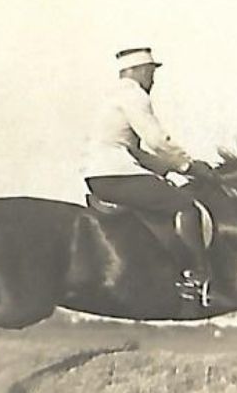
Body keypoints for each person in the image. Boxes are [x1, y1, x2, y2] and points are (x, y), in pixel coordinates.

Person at [83, 47, 215, 306]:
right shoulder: (135, 96)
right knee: (185, 206)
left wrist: (167, 170)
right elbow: (156, 140)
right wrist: (188, 166)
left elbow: (135, 151)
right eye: (151, 73)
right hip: (116, 173)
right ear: (139, 71)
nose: (152, 80)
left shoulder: (110, 96)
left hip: (101, 173)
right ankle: (196, 278)